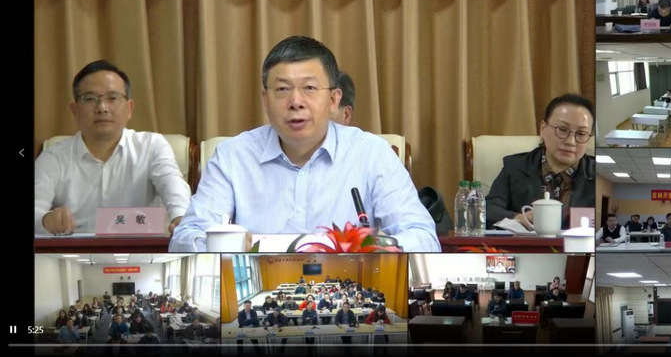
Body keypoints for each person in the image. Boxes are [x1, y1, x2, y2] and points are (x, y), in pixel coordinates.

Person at [170, 36, 440, 253]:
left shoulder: (372, 154)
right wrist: (224, 246)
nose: (295, 102)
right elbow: (184, 237)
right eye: (282, 89)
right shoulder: (233, 156)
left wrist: (378, 248)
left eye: (309, 88)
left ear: (333, 100)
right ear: (265, 100)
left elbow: (423, 236)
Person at [35, 60, 190, 236]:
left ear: (129, 108)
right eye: (90, 99)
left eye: (113, 98)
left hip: (139, 248)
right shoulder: (54, 157)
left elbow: (172, 184)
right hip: (75, 250)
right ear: (75, 111)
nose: (102, 108)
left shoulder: (152, 146)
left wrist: (181, 217)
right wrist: (45, 220)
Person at [486, 94, 596, 230]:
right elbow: (489, 210)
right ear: (543, 128)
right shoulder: (515, 167)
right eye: (562, 130)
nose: (570, 141)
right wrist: (517, 218)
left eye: (581, 134)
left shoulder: (597, 173)